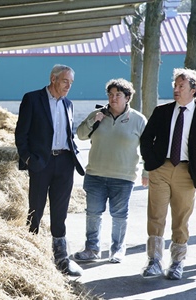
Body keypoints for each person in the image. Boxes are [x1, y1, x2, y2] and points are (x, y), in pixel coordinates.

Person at [139, 68, 196, 280]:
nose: (176, 89)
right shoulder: (162, 111)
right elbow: (146, 139)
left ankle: (177, 262)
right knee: (156, 214)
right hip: (161, 168)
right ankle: (154, 261)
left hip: (186, 172)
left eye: (181, 86)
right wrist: (151, 163)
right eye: (175, 85)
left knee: (181, 217)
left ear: (194, 90)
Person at [15, 64, 85, 276]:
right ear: (53, 79)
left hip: (64, 163)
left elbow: (68, 134)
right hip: (40, 163)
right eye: (65, 81)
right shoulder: (32, 99)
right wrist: (28, 159)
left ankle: (62, 259)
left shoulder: (69, 104)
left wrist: (74, 154)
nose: (68, 86)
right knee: (35, 209)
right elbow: (21, 134)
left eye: (71, 83)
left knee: (60, 212)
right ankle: (31, 255)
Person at [74, 78, 148, 264]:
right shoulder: (97, 115)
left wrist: (147, 172)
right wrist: (93, 120)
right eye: (110, 95)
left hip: (123, 177)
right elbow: (81, 135)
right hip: (95, 175)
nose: (113, 99)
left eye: (118, 95)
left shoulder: (138, 120)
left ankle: (117, 249)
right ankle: (92, 249)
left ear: (127, 97)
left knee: (119, 215)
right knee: (93, 213)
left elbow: (148, 149)